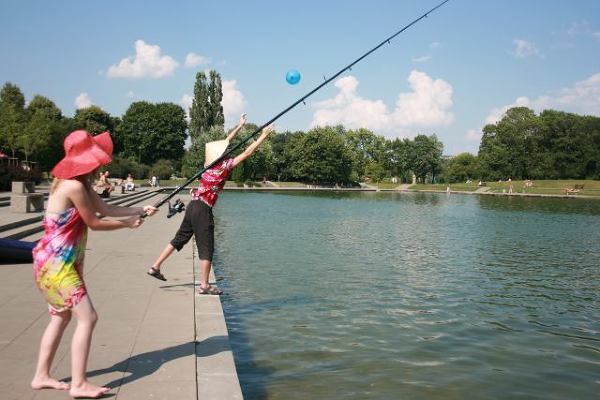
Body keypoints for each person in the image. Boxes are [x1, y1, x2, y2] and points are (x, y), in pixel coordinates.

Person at [30, 130, 158, 399]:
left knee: (61, 316)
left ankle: (41, 376)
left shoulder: (79, 183)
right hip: (57, 266)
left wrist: (139, 210)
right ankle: (79, 384)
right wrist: (128, 224)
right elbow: (94, 223)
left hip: (55, 262)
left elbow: (107, 210)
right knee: (88, 318)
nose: (100, 163)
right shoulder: (74, 186)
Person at [147, 114, 273, 295]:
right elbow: (247, 153)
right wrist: (263, 135)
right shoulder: (225, 166)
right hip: (203, 208)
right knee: (207, 247)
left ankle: (155, 266)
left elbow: (226, 141)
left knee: (179, 239)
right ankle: (204, 285)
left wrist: (239, 126)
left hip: (192, 206)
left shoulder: (208, 163)